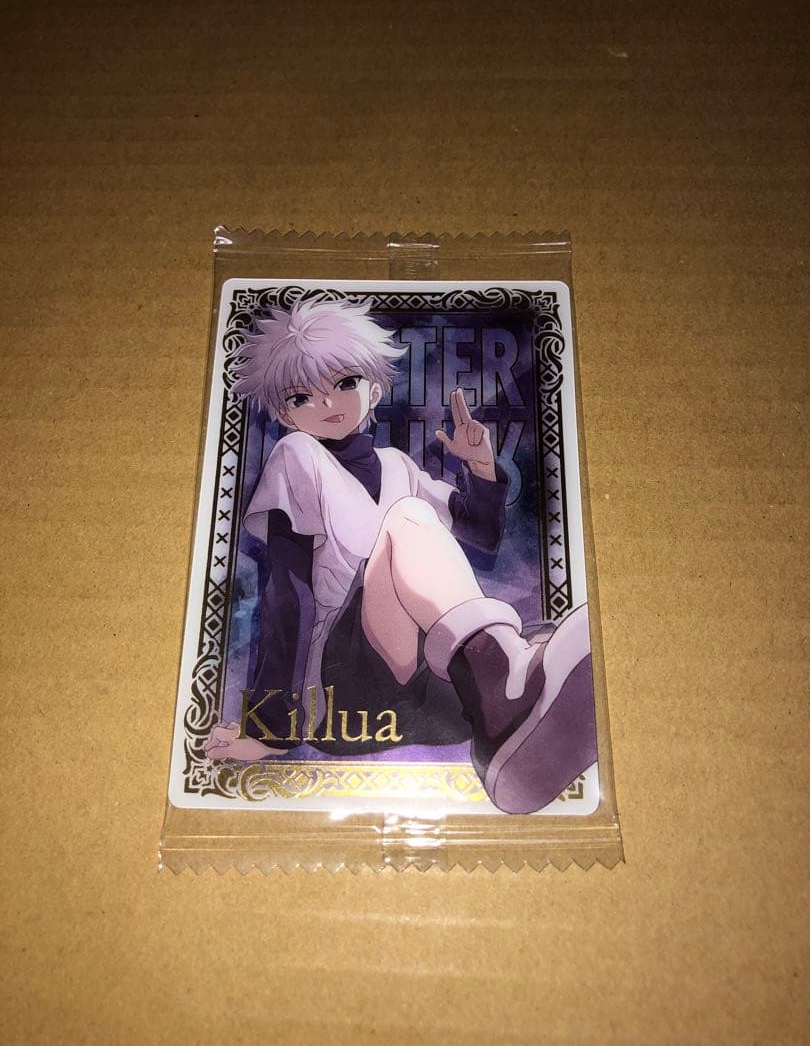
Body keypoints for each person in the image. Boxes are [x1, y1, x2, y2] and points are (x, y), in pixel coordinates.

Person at [204, 296, 596, 813]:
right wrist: (271, 729)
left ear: (373, 387)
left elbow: (479, 535)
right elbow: (287, 593)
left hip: (421, 691)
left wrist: (480, 467)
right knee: (410, 516)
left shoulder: (396, 466)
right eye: (302, 396)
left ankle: (507, 715)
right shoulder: (296, 455)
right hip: (341, 688)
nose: (327, 403)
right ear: (284, 413)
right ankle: (505, 686)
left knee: (415, 516)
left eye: (344, 382)